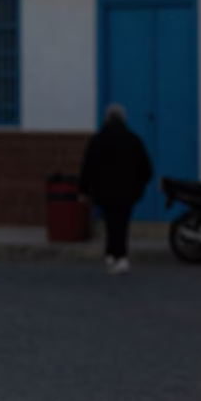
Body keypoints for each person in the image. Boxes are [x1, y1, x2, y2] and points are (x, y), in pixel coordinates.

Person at [79, 103, 154, 275]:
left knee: (110, 222)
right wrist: (138, 187)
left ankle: (112, 254)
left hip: (104, 191)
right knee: (122, 223)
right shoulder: (134, 140)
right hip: (127, 192)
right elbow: (146, 169)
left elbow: (88, 167)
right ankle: (120, 256)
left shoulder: (97, 140)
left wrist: (84, 190)